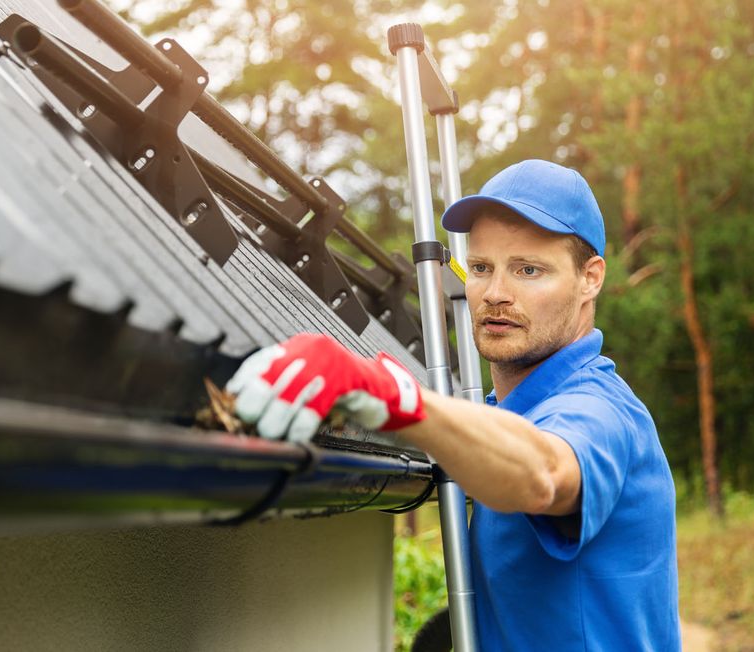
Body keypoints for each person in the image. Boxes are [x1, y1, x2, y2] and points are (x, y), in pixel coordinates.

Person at [225, 160, 680, 651]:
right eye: (481, 268)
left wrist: (399, 400)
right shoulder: (504, 414)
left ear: (590, 278)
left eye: (529, 270)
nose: (496, 294)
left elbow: (544, 473)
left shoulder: (600, 409)